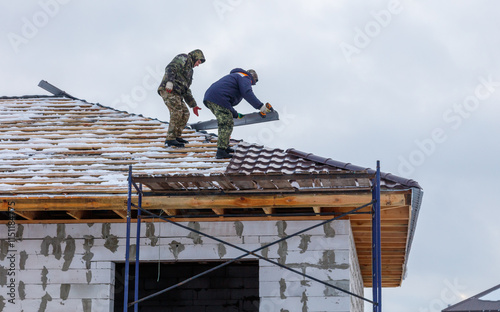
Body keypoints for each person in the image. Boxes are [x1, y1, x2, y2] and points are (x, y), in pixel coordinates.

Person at [203, 68, 271, 159]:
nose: (250, 85)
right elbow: (247, 92)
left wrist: (236, 114)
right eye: (252, 83)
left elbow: (227, 105)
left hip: (212, 98)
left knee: (227, 118)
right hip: (218, 98)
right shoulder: (245, 77)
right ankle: (221, 151)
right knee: (226, 122)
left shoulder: (236, 76)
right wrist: (261, 107)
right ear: (252, 78)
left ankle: (225, 147)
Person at [158, 49, 205, 147]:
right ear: (195, 57)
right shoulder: (184, 58)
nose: (198, 65)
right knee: (177, 111)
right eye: (198, 61)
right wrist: (169, 81)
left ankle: (176, 136)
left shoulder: (190, 71)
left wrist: (193, 105)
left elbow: (186, 90)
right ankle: (170, 139)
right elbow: (171, 67)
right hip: (168, 89)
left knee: (185, 113)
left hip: (178, 93)